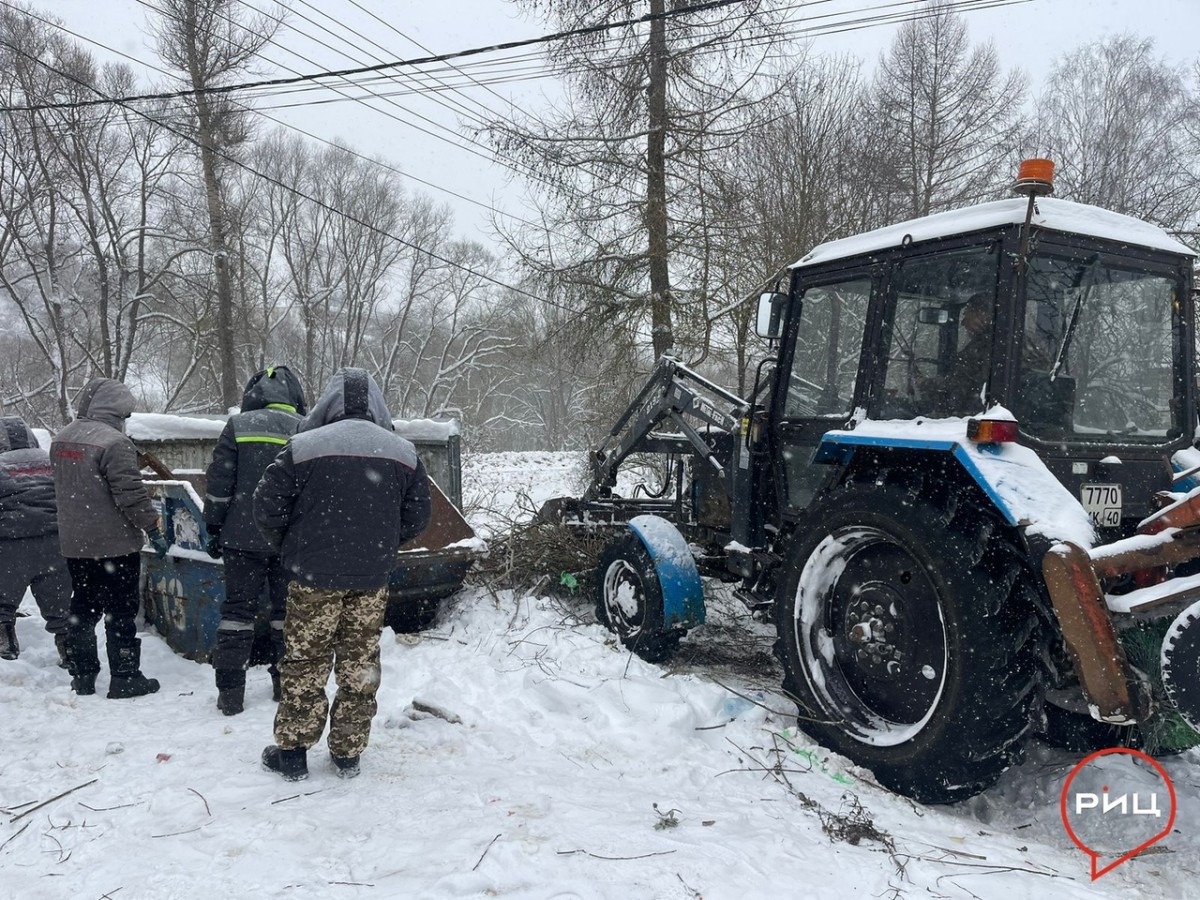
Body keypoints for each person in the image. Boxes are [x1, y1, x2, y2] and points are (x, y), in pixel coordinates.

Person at [254, 368, 431, 781]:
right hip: (371, 578)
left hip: (312, 576)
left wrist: (292, 547)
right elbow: (417, 517)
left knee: (304, 660)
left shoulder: (301, 447)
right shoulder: (403, 453)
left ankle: (294, 753)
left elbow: (266, 507)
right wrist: (380, 546)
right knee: (360, 662)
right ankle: (348, 753)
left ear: (327, 403)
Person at [50, 378, 168, 699]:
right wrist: (153, 529)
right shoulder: (115, 443)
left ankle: (84, 675)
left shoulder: (61, 439)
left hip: (76, 545)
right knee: (121, 609)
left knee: (83, 605)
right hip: (114, 545)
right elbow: (130, 494)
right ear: (116, 410)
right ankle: (125, 676)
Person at [203, 365, 307, 716]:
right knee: (286, 613)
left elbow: (219, 485)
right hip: (286, 539)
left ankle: (230, 692)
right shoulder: (304, 430)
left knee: (236, 613)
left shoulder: (237, 426)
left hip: (240, 537)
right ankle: (283, 683)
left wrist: (214, 527)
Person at [0, 417, 71, 665]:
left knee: (3, 600)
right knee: (60, 601)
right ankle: (69, 650)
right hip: (55, 542)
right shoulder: (52, 461)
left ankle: (6, 644)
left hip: (10, 544)